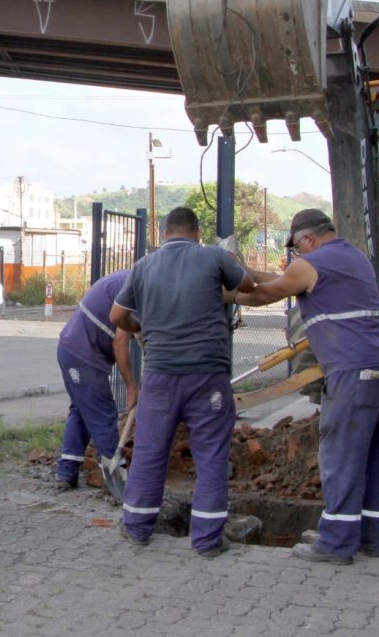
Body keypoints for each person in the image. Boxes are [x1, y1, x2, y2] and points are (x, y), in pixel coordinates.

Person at [234, 208, 379, 564]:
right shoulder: (351, 256)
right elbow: (287, 278)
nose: (298, 254)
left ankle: (336, 543)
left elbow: (265, 295)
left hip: (355, 369)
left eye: (298, 247)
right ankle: (367, 537)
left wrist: (229, 294)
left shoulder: (311, 263)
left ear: (307, 239)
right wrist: (247, 273)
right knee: (372, 455)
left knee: (340, 455)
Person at [110, 207, 256, 557]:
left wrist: (140, 328)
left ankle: (137, 527)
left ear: (162, 233)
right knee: (211, 455)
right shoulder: (213, 256)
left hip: (159, 375)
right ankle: (206, 540)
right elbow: (249, 285)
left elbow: (116, 315)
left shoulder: (144, 265)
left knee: (149, 451)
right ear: (197, 232)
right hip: (208, 376)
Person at [55, 269, 137, 491]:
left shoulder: (132, 279)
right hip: (82, 354)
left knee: (82, 411)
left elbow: (138, 331)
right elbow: (120, 343)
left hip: (70, 348)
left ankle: (67, 471)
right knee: (102, 412)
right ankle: (119, 480)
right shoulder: (135, 287)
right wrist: (131, 387)